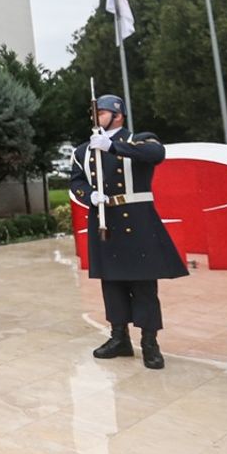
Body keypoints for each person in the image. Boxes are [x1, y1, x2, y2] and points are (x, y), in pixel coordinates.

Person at [69, 95, 188, 369]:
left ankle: (149, 342)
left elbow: (156, 155)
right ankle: (118, 337)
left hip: (137, 219)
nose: (95, 117)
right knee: (111, 282)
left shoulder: (139, 139)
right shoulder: (83, 151)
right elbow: (76, 181)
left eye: (101, 112)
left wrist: (112, 146)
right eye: (93, 113)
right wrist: (90, 195)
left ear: (118, 115)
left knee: (144, 284)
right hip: (104, 217)